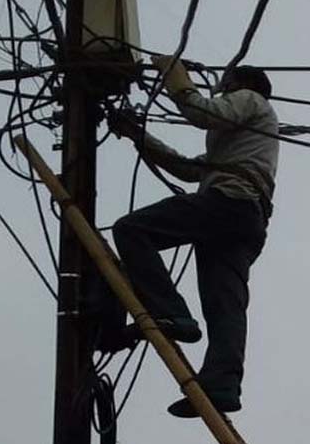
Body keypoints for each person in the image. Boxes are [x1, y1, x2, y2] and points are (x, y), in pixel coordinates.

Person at [103, 55, 278, 418]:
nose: (221, 90)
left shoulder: (251, 100)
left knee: (132, 229)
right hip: (246, 218)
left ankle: (171, 313)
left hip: (229, 203)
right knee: (225, 305)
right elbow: (186, 168)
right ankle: (222, 385)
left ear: (237, 84)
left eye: (225, 85)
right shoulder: (238, 146)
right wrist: (137, 134)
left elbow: (202, 112)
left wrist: (176, 77)